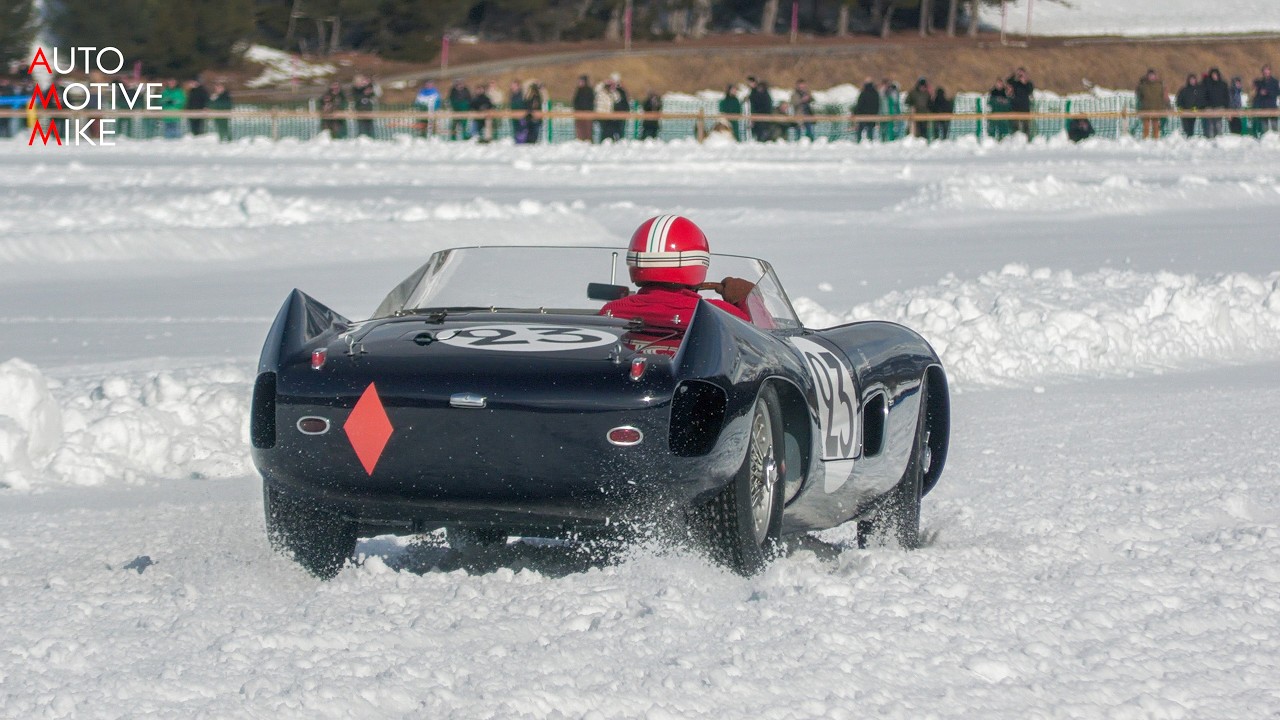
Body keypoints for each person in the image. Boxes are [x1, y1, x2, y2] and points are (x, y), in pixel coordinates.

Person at [599, 215, 752, 331]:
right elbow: (764, 343)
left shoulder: (612, 311)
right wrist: (745, 299)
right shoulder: (717, 314)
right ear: (698, 261)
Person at [1135, 69, 1167, 140]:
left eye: (1153, 75)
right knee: (1146, 127)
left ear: (1155, 76)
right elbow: (1138, 95)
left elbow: (1164, 96)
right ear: (1147, 76)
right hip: (1145, 109)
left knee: (1156, 127)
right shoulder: (1143, 85)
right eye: (1150, 76)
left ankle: (1156, 140)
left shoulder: (1160, 85)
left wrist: (1165, 106)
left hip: (1157, 109)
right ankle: (1145, 140)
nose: (1151, 77)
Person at [1200, 68, 1229, 139]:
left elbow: (1226, 96)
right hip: (1209, 107)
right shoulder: (1207, 84)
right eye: (1213, 74)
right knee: (1210, 125)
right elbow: (1203, 95)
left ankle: (1219, 140)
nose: (1214, 76)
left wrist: (1226, 106)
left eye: (1216, 74)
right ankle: (1210, 140)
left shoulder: (1223, 84)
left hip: (1219, 107)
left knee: (1218, 124)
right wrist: (1205, 105)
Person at [1007, 67, 1034, 137]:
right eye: (1019, 74)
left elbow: (1030, 90)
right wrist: (1014, 75)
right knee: (1015, 126)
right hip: (1015, 107)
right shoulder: (1015, 83)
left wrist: (1024, 82)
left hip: (1025, 107)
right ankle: (1016, 138)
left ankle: (1027, 139)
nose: (1020, 76)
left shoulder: (1028, 84)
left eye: (1022, 74)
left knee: (1026, 126)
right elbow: (1009, 81)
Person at [1253, 64, 1279, 134]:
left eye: (1267, 71)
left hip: (1272, 106)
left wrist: (1267, 92)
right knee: (1265, 129)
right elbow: (1256, 96)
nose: (1266, 73)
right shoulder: (1260, 82)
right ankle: (1265, 143)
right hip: (1263, 107)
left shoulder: (1275, 82)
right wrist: (1259, 92)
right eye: (1264, 71)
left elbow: (1277, 92)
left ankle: (1276, 142)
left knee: (1275, 128)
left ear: (1270, 71)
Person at [852, 77, 879, 142]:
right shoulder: (875, 93)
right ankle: (870, 141)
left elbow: (859, 104)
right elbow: (877, 104)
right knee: (870, 130)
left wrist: (855, 113)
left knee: (860, 130)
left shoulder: (863, 93)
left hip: (862, 115)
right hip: (872, 115)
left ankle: (858, 141)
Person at [747, 76, 773, 142]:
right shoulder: (754, 92)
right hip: (757, 114)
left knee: (761, 126)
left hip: (763, 115)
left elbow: (764, 105)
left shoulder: (763, 95)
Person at [572, 75, 595, 142]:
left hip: (587, 114)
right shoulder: (578, 90)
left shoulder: (589, 90)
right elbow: (575, 101)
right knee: (580, 131)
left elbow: (589, 102)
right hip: (578, 114)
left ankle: (588, 142)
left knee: (587, 131)